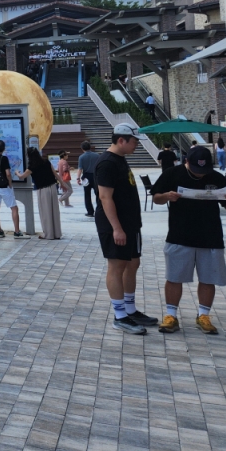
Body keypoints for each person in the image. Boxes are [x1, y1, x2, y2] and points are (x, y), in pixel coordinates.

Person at [151, 146, 226, 334]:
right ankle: (170, 316)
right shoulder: (172, 174)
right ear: (186, 162)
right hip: (179, 234)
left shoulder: (216, 178)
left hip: (211, 235)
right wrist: (167, 196)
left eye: (204, 170)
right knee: (174, 277)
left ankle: (203, 315)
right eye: (196, 170)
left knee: (208, 278)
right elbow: (156, 198)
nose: (201, 174)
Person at [95, 124, 157, 334]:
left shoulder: (120, 161)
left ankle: (130, 309)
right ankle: (120, 315)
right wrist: (116, 228)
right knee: (117, 265)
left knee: (132, 264)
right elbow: (105, 197)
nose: (136, 146)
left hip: (130, 224)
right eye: (134, 141)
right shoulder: (106, 163)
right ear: (121, 140)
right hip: (115, 225)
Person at [18, 147, 62, 240]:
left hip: (43, 190)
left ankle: (48, 234)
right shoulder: (46, 162)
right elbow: (55, 174)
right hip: (53, 187)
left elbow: (22, 177)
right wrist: (63, 184)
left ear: (29, 156)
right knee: (54, 211)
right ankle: (57, 233)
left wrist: (17, 172)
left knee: (45, 212)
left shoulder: (32, 166)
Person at [0, 140, 22, 238]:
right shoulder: (4, 159)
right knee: (14, 208)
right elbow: (8, 173)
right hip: (4, 187)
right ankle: (17, 231)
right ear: (3, 148)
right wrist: (10, 183)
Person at [76, 141, 101, 218]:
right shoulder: (97, 155)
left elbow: (80, 168)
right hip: (95, 176)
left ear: (82, 148)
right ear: (90, 147)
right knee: (98, 194)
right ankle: (100, 210)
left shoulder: (81, 157)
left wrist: (78, 178)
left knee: (87, 195)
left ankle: (90, 211)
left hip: (86, 177)